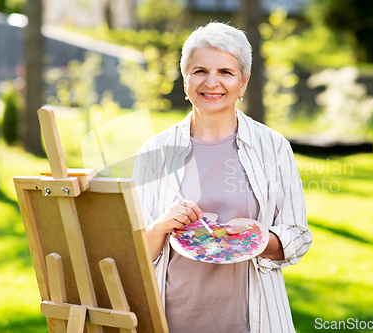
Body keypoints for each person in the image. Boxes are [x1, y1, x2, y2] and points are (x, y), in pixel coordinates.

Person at [132, 22, 312, 333]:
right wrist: (161, 226)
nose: (211, 82)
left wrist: (256, 238)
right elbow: (129, 253)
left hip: (252, 319)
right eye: (200, 70)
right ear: (186, 79)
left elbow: (297, 234)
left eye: (226, 72)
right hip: (172, 318)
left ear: (243, 83)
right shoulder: (155, 151)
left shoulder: (272, 147)